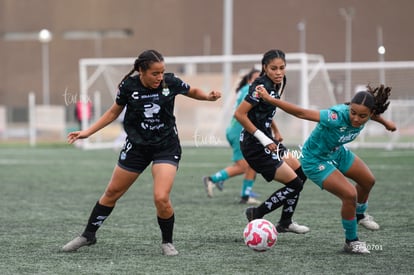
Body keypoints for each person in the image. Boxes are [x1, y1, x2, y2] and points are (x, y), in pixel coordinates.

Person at [62, 49, 221, 256]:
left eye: (162, 72)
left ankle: (167, 242)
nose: (160, 77)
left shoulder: (169, 82)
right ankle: (88, 235)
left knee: (161, 197)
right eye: (155, 73)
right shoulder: (129, 87)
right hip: (137, 147)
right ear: (141, 71)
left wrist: (207, 97)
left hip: (166, 146)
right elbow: (113, 112)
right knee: (111, 193)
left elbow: (191, 91)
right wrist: (87, 132)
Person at [257, 82, 396, 254]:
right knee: (349, 194)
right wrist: (269, 99)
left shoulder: (366, 113)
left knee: (368, 181)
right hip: (314, 159)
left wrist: (385, 122)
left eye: (362, 116)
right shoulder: (336, 116)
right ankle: (351, 242)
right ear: (349, 108)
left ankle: (360, 215)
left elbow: (372, 115)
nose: (356, 119)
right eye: (353, 113)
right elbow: (301, 112)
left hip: (336, 152)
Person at [234, 49, 310, 234]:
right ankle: (256, 213)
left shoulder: (277, 83)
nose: (278, 72)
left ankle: (285, 222)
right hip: (255, 146)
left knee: (301, 173)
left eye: (281, 68)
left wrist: (274, 130)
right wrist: (262, 137)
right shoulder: (260, 87)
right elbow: (240, 114)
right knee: (295, 184)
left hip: (268, 140)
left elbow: (264, 110)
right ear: (264, 68)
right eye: (273, 68)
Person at [203, 68, 261, 205]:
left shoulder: (248, 89)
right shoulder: (250, 90)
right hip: (238, 131)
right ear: (249, 80)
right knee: (243, 166)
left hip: (241, 130)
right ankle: (212, 179)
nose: (259, 81)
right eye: (256, 78)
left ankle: (245, 195)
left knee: (253, 163)